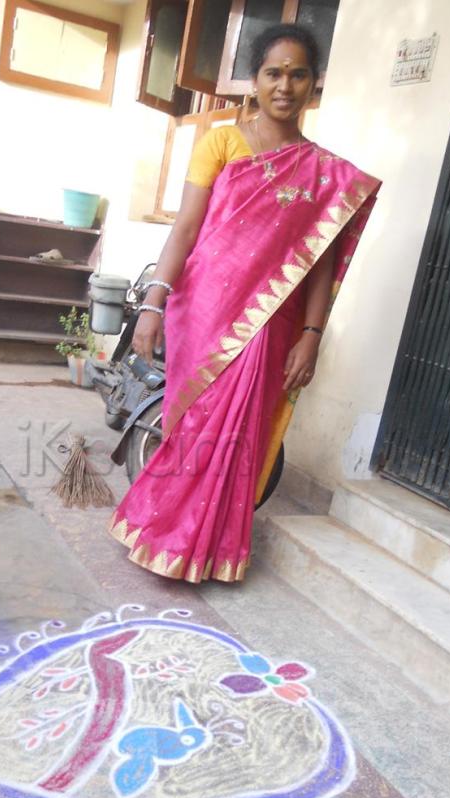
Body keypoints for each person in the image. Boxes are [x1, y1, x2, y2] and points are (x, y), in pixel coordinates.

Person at [109, 24, 380, 583]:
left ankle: (208, 551)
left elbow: (319, 263)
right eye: (273, 73)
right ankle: (158, 533)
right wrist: (154, 303)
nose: (285, 85)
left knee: (239, 435)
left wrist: (312, 334)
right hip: (207, 307)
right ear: (253, 81)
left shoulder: (326, 174)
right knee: (196, 426)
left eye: (297, 73)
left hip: (271, 322)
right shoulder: (221, 142)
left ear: (314, 83)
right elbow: (186, 227)